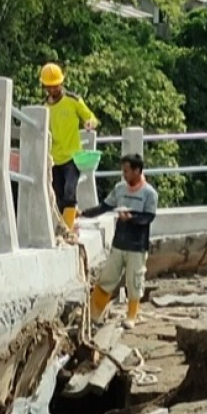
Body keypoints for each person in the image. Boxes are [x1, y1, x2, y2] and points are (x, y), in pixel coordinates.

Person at [80, 154, 158, 329]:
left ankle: (131, 316)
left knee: (134, 281)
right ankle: (93, 314)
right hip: (119, 243)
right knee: (107, 278)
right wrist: (84, 213)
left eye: (127, 171)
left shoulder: (149, 193)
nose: (124, 174)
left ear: (137, 171)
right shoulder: (119, 189)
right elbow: (105, 206)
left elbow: (148, 217)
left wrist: (131, 218)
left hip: (137, 246)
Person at [40, 62, 98, 231]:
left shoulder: (73, 100)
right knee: (57, 196)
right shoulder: (43, 108)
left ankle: (69, 228)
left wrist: (89, 123)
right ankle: (62, 226)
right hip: (54, 159)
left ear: (61, 83)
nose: (52, 90)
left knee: (70, 191)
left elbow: (91, 117)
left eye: (55, 86)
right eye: (48, 87)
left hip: (73, 157)